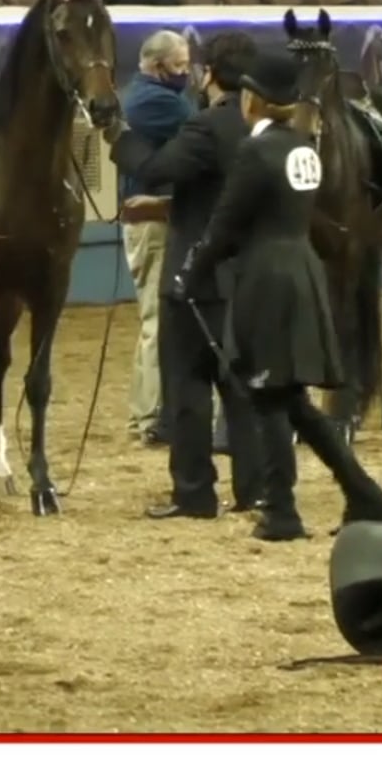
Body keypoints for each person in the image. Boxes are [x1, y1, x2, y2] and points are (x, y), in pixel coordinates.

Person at [172, 49, 382, 541]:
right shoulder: (302, 147)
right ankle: (367, 496)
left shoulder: (256, 152)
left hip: (266, 278)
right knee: (293, 400)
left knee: (268, 395)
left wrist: (192, 274)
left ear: (254, 100)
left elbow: (225, 226)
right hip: (302, 270)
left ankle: (282, 511)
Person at [108, 31, 262, 517]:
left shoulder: (206, 126)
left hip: (196, 277)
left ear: (209, 73)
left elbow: (155, 168)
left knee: (189, 386)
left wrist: (118, 136)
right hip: (248, 272)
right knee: (241, 388)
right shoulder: (264, 127)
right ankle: (254, 488)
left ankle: (195, 492)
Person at [112, 30, 193, 449]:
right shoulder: (158, 103)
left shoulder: (145, 96)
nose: (186, 72)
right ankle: (149, 417)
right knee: (156, 319)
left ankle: (152, 413)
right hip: (153, 223)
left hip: (155, 222)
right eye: (180, 65)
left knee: (158, 317)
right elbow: (198, 129)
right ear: (158, 66)